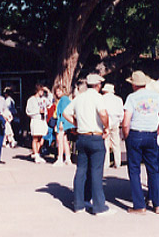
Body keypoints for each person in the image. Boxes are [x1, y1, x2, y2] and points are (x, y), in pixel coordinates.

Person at [63, 74, 111, 215]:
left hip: (82, 136)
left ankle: (79, 203)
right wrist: (106, 126)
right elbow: (103, 113)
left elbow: (66, 113)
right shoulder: (98, 98)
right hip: (95, 135)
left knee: (81, 170)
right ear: (97, 85)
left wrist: (77, 123)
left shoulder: (80, 98)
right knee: (96, 171)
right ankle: (99, 206)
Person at [122, 70, 159, 215]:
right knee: (153, 169)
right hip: (151, 133)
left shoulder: (131, 98)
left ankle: (139, 205)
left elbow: (125, 122)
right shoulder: (157, 97)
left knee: (134, 170)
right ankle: (158, 204)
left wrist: (127, 136)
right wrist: (156, 132)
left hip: (136, 133)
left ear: (134, 84)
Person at [26, 84, 51, 163]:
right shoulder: (31, 100)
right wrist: (37, 111)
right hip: (36, 119)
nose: (42, 92)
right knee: (35, 138)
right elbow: (28, 111)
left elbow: (50, 102)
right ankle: (36, 154)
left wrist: (48, 91)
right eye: (41, 91)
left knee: (41, 138)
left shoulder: (44, 99)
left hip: (42, 120)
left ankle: (38, 153)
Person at [102, 83, 124, 169]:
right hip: (116, 121)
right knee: (116, 143)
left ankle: (106, 163)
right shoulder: (118, 100)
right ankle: (117, 162)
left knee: (105, 143)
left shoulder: (102, 99)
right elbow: (121, 113)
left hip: (105, 122)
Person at [53, 86, 75, 167]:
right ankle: (68, 158)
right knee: (65, 140)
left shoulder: (63, 100)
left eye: (59, 91)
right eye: (56, 91)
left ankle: (60, 158)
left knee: (60, 140)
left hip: (62, 121)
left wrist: (61, 122)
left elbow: (63, 112)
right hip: (66, 122)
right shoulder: (65, 99)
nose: (57, 93)